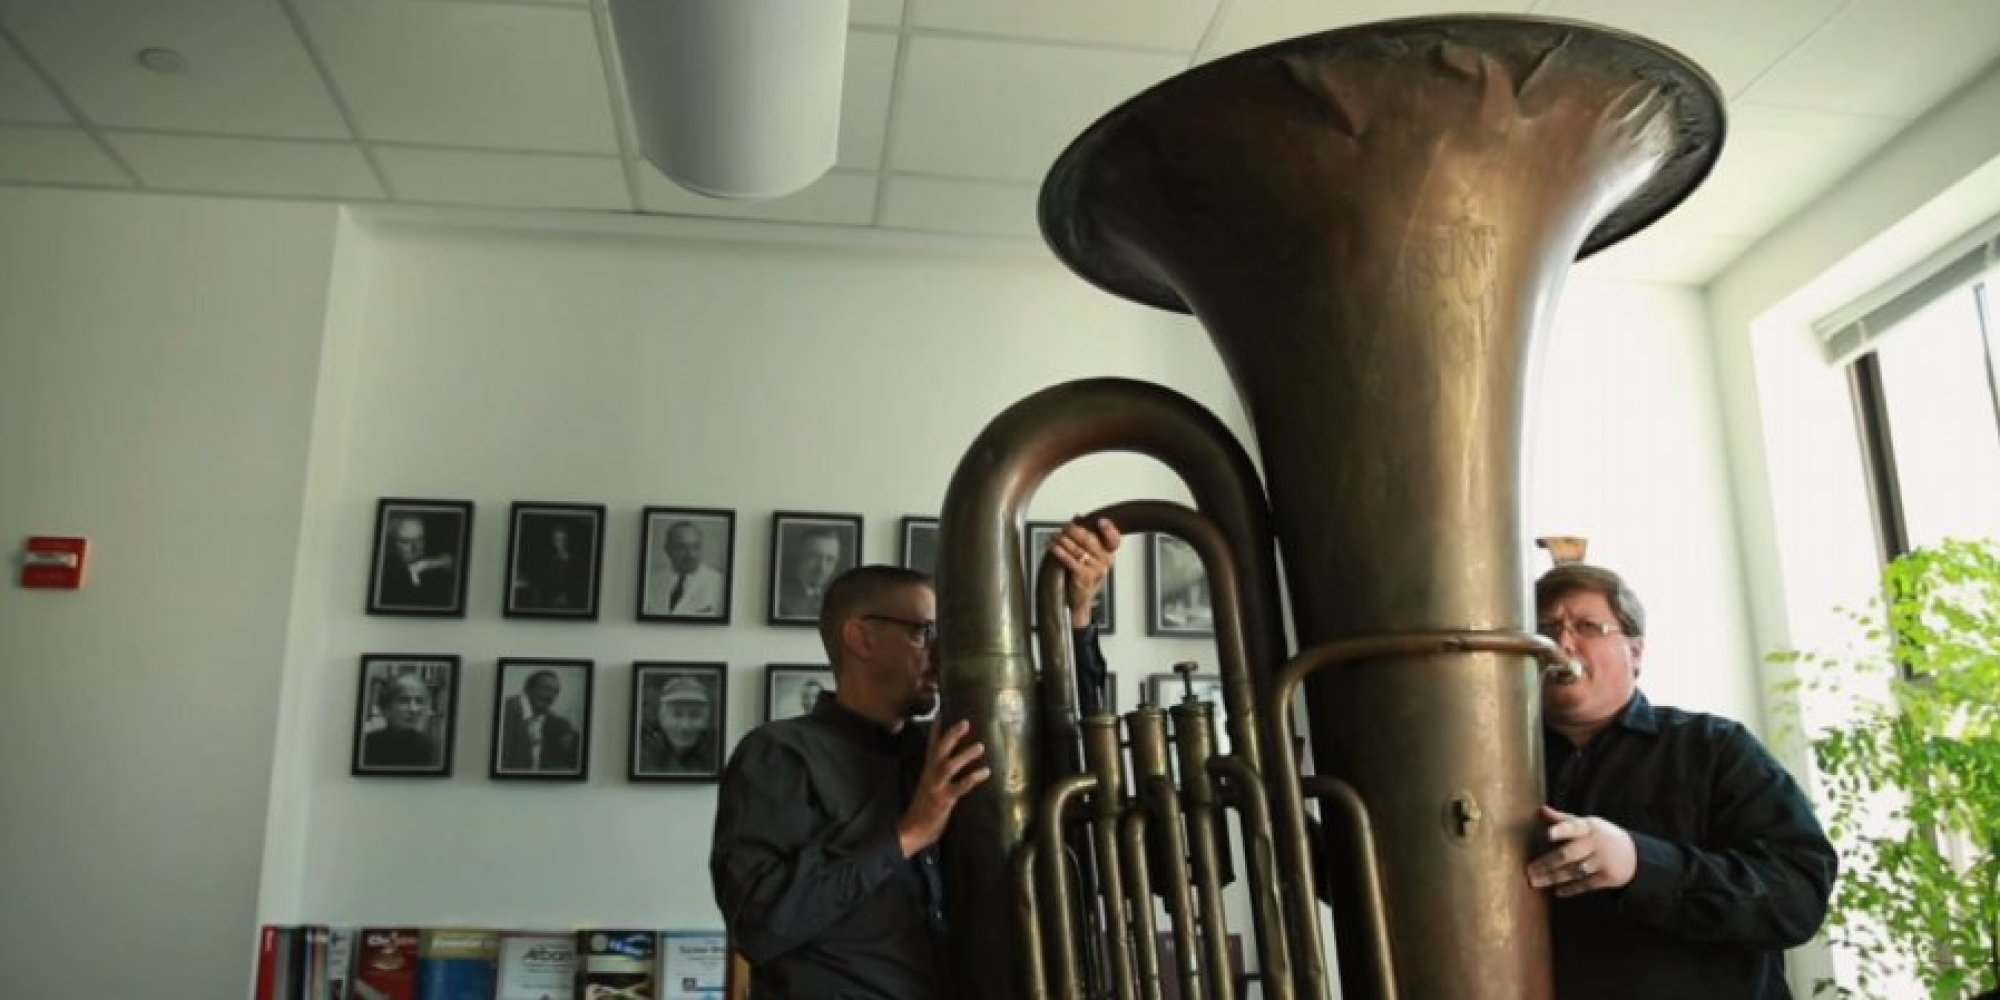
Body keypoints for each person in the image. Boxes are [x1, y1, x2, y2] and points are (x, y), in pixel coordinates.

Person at [711, 518, 1120, 999]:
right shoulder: (778, 754)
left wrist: (1077, 616)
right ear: (861, 638)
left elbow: (1070, 751)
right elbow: (759, 925)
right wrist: (907, 834)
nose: (943, 651)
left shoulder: (941, 745)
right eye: (924, 632)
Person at [1524, 563, 1837, 1000]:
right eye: (1545, 629)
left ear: (1636, 653)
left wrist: (1640, 864)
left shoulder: (1714, 748)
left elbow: (1797, 897)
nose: (1561, 644)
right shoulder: (1502, 768)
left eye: (1588, 627)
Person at [499, 669, 582, 772]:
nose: (551, 696)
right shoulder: (504, 711)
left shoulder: (554, 721)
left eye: (555, 692)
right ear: (529, 688)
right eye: (546, 689)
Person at [644, 520, 727, 617]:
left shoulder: (719, 584)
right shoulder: (651, 582)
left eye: (695, 547)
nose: (690, 555)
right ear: (667, 549)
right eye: (681, 547)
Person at [640, 676, 718, 774]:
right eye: (677, 715)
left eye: (695, 716)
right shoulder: (643, 754)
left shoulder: (717, 753)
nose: (685, 726)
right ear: (662, 718)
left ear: (706, 720)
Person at [359, 672, 439, 768]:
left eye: (419, 701)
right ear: (385, 708)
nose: (413, 709)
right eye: (404, 701)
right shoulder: (366, 744)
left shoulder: (429, 746)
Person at [376, 514, 456, 609]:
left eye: (419, 540)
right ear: (391, 544)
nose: (415, 547)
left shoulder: (434, 567)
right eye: (405, 541)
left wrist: (429, 564)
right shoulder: (384, 576)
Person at [515, 520, 592, 611]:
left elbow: (581, 585)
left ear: (568, 540)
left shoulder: (578, 561)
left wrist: (568, 596)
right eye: (557, 540)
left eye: (563, 539)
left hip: (571, 602)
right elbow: (540, 576)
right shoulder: (548, 558)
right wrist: (523, 580)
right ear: (553, 541)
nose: (560, 543)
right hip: (550, 601)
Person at [776, 528, 843, 618]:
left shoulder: (840, 598)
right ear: (799, 557)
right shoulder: (779, 596)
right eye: (814, 557)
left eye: (830, 559)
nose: (822, 567)